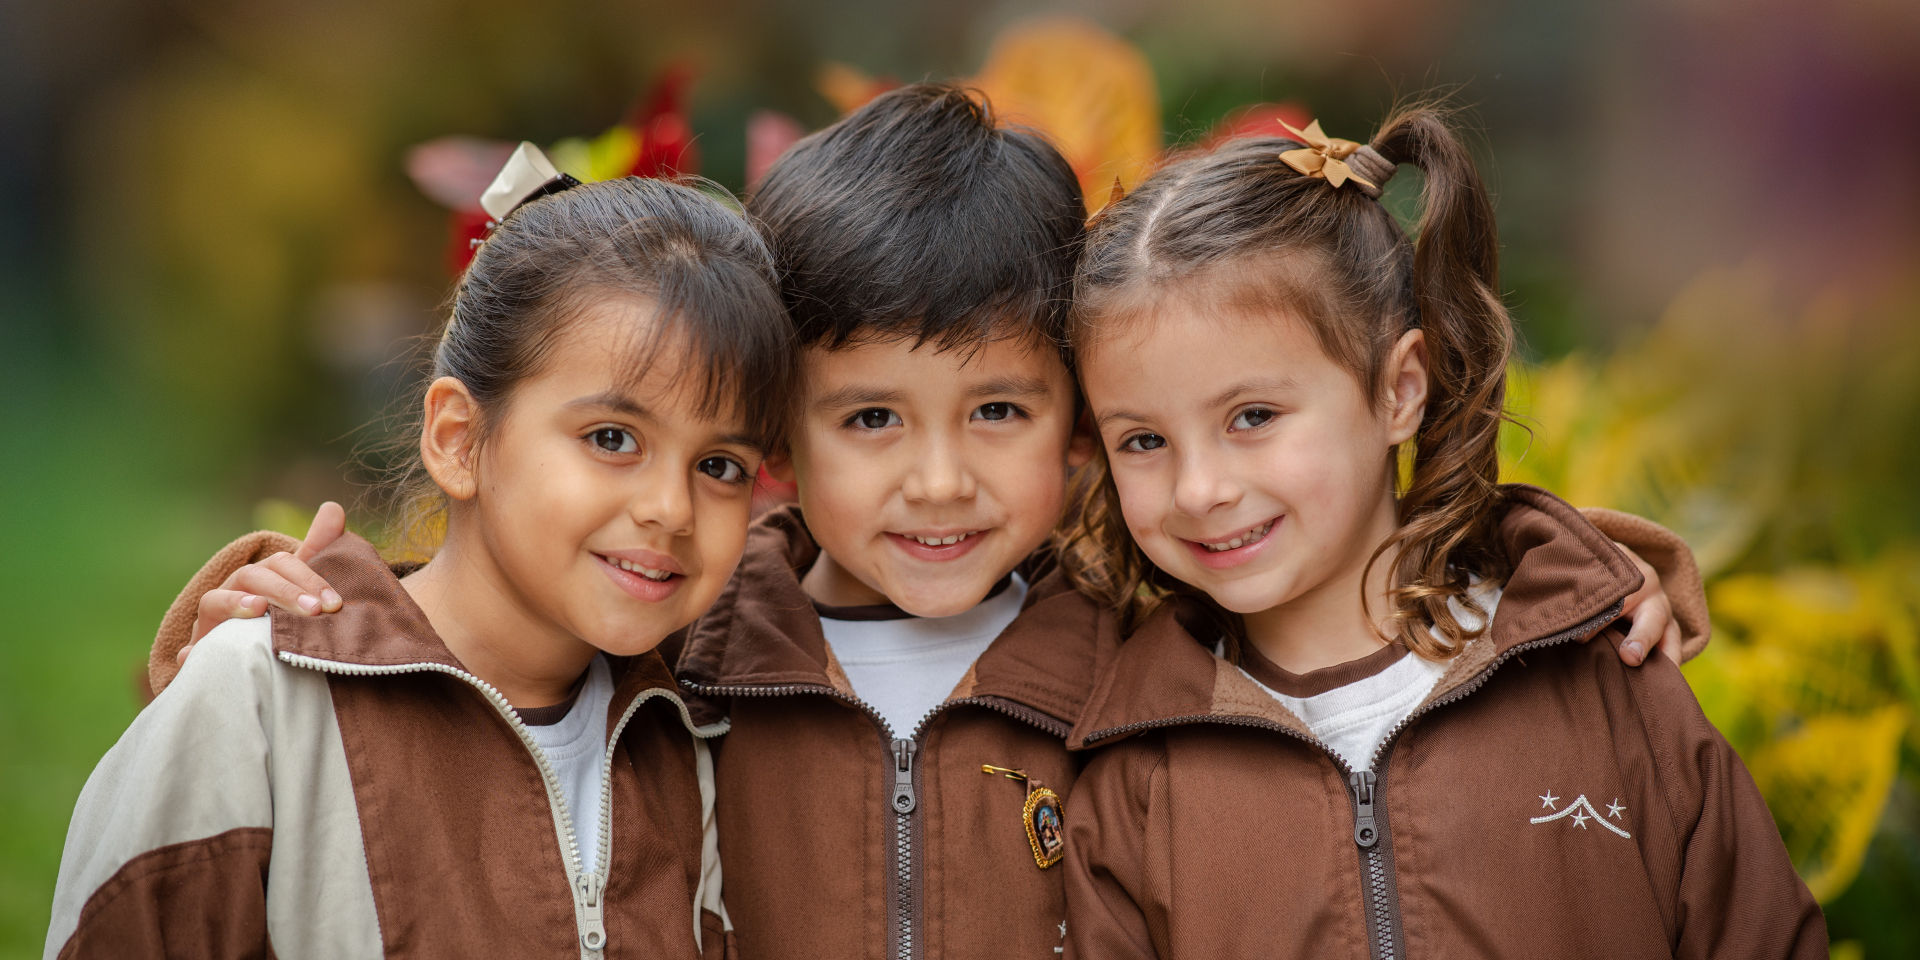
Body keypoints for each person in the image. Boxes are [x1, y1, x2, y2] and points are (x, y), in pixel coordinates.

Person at [156, 88, 1704, 960]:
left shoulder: (1146, 667)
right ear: (778, 438)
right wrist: (276, 618)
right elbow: (479, 683)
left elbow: (1354, 603)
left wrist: (1556, 563)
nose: (940, 484)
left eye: (1003, 415)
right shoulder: (684, 665)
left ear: (1079, 427)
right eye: (870, 419)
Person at [1055, 107, 1825, 958]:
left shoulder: (1605, 681)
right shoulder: (1133, 778)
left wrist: (1588, 585)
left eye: (1253, 416)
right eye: (1144, 440)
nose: (1199, 489)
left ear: (1399, 391)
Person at [45, 157, 795, 959]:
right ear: (459, 440)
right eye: (612, 439)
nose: (671, 510)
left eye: (720, 467)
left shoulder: (696, 735)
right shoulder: (261, 703)